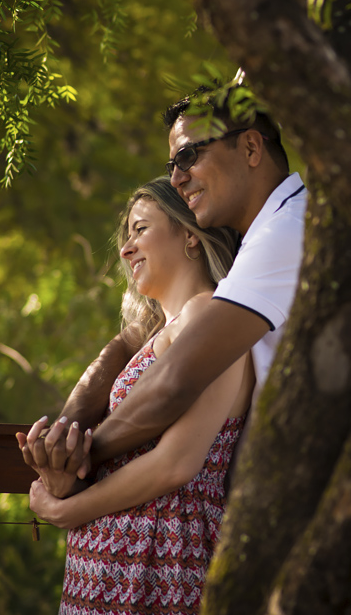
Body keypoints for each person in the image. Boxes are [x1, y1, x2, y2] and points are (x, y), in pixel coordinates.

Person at [22, 92, 306, 494]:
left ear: (250, 147)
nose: (176, 177)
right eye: (172, 166)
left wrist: (79, 455)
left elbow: (176, 380)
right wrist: (68, 425)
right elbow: (134, 337)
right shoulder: (266, 236)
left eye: (188, 157)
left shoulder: (286, 231)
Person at [21, 178, 253, 614]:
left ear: (189, 234)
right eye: (126, 235)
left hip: (159, 557)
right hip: (112, 561)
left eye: (141, 229)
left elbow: (177, 464)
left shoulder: (211, 314)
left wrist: (69, 511)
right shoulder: (160, 332)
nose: (126, 250)